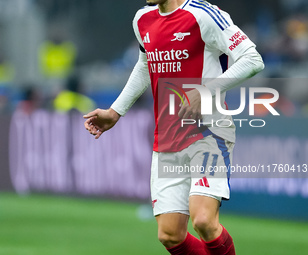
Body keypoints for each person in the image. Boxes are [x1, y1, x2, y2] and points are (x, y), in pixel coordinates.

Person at [84, 0, 264, 254]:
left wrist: (206, 91)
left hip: (208, 131)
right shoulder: (142, 20)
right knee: (170, 234)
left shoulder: (204, 15)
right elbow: (146, 65)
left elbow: (252, 59)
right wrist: (115, 111)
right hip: (168, 135)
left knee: (203, 220)